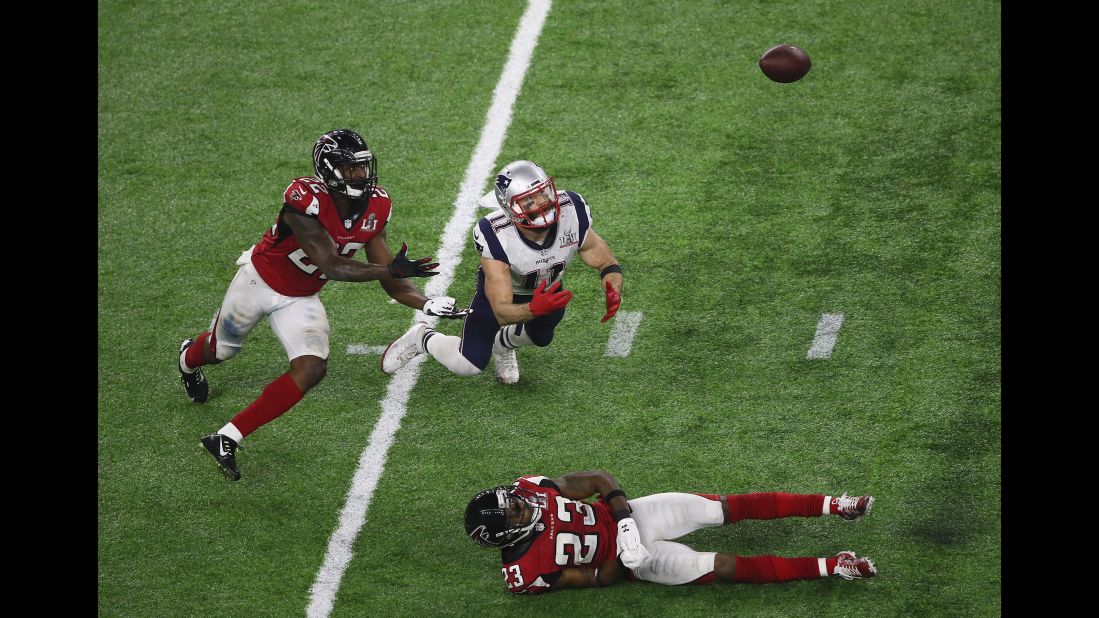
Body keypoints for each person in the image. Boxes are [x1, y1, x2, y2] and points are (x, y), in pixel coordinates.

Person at [177, 128, 470, 481]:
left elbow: (389, 280)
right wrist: (388, 269)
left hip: (300, 297)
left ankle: (227, 436)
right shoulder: (304, 201)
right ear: (329, 170)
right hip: (259, 282)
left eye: (362, 167)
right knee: (219, 350)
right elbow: (332, 264)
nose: (360, 175)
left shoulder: (376, 206)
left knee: (313, 368)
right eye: (350, 169)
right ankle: (187, 360)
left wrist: (426, 303)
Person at [380, 160, 623, 384]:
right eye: (529, 201)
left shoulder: (572, 210)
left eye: (543, 193)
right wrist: (533, 309)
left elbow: (604, 259)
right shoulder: (495, 233)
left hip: (547, 291)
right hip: (501, 296)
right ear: (510, 209)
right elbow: (502, 311)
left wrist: (613, 286)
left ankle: (502, 345)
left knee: (542, 337)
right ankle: (423, 338)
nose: (541, 203)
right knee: (468, 364)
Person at [464, 470, 877, 594]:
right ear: (506, 537)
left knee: (724, 508)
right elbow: (592, 579)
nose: (523, 502)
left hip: (636, 516)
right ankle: (833, 566)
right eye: (516, 511)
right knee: (723, 565)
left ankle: (832, 505)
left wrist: (624, 520)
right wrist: (622, 560)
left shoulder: (534, 488)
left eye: (514, 499)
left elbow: (598, 480)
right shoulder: (526, 568)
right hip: (635, 563)